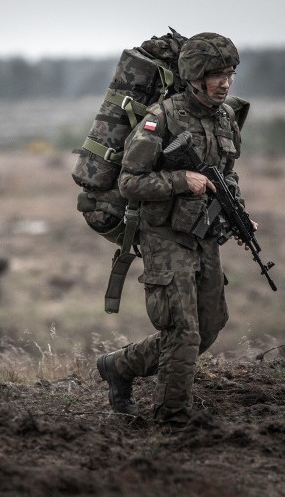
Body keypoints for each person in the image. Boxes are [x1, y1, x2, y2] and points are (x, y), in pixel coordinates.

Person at [96, 32, 253, 428]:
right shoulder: (160, 118)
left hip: (202, 235)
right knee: (182, 330)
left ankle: (118, 366)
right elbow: (129, 183)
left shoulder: (226, 119)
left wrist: (239, 214)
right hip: (163, 235)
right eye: (217, 74)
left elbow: (227, 177)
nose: (225, 82)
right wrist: (180, 180)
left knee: (209, 327)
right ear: (195, 76)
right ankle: (172, 418)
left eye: (230, 74)